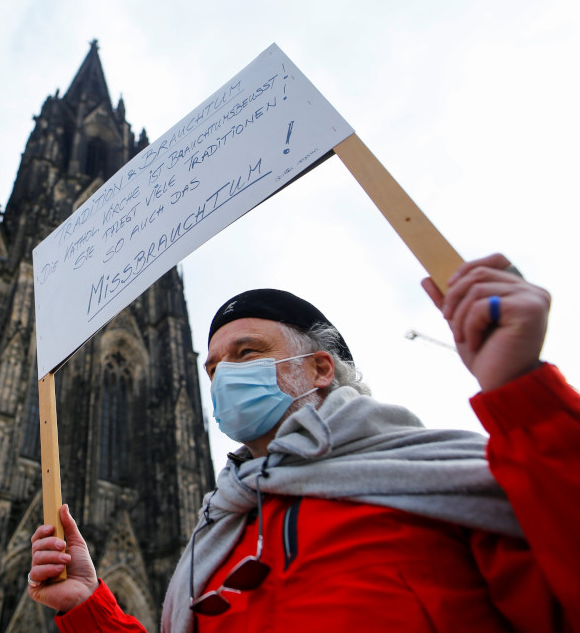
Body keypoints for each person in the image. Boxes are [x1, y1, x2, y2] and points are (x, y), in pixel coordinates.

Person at [28, 253, 580, 632]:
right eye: (213, 368)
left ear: (319, 367)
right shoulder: (215, 534)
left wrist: (526, 396)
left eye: (246, 354)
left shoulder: (439, 480)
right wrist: (89, 608)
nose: (223, 378)